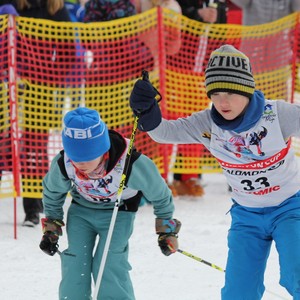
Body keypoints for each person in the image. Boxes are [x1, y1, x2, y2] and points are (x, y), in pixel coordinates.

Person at [130, 44, 300, 299]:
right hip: (247, 216)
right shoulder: (206, 124)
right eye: (215, 92)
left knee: (296, 275)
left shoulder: (277, 115)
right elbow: (162, 132)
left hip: (291, 209)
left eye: (230, 92)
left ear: (246, 89)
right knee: (238, 291)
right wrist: (147, 112)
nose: (222, 101)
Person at [39, 106, 181, 299]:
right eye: (75, 157)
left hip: (119, 212)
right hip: (82, 210)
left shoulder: (130, 163)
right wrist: (51, 229)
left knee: (108, 262)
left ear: (102, 148)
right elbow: (53, 192)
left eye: (88, 157)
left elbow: (160, 194)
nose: (80, 164)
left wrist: (166, 230)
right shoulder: (64, 163)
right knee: (75, 262)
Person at [5, 0, 73, 226]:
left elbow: (68, 51)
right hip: (10, 82)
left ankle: (33, 206)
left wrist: (51, 77)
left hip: (40, 89)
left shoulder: (56, 9)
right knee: (6, 143)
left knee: (34, 146)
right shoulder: (16, 6)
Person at [169, 0, 227, 197]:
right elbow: (169, 10)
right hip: (174, 68)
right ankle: (162, 176)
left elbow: (223, 27)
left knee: (198, 124)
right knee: (170, 122)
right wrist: (196, 14)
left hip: (201, 72)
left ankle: (188, 176)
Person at [230, 0, 300, 101]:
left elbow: (297, 6)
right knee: (249, 88)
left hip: (278, 53)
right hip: (253, 52)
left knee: (278, 94)